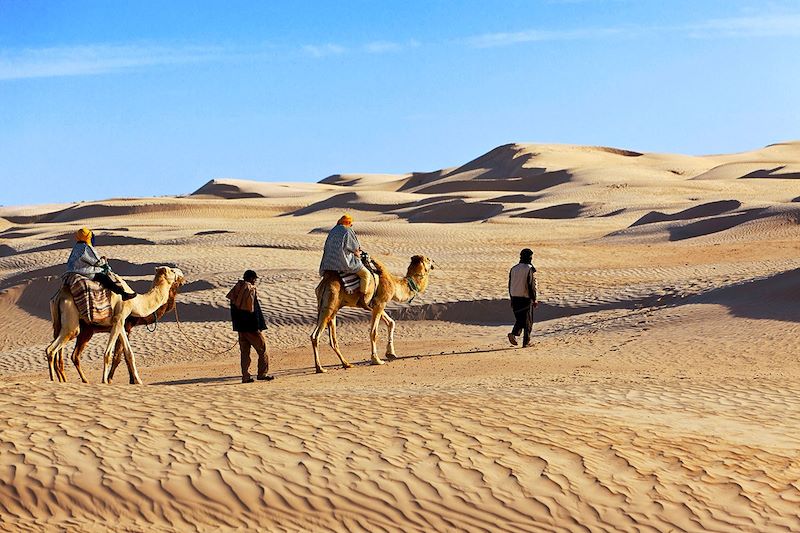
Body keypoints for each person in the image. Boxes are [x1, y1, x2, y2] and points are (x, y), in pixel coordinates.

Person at [319, 214, 375, 308]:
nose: (351, 225)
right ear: (348, 223)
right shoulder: (347, 231)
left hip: (328, 264)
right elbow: (355, 248)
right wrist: (358, 254)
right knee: (366, 275)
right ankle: (361, 299)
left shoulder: (333, 230)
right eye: (350, 223)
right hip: (344, 263)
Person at [227, 269, 273, 383]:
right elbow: (252, 310)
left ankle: (245, 376)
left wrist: (238, 326)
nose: (255, 281)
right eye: (254, 279)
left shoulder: (236, 290)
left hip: (241, 328)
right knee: (263, 350)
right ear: (252, 279)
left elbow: (234, 309)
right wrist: (258, 326)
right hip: (251, 327)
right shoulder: (249, 289)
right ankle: (262, 374)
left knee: (245, 353)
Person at [64, 227, 136, 300]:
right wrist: (103, 261)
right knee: (105, 278)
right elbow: (97, 262)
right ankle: (122, 294)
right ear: (88, 237)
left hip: (71, 272)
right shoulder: (86, 247)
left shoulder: (76, 247)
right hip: (83, 271)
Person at [508, 248, 538, 348]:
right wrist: (534, 299)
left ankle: (514, 334)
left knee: (520, 319)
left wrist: (511, 298)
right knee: (528, 321)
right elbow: (531, 285)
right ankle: (526, 342)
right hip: (525, 298)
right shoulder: (528, 269)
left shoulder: (514, 268)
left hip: (514, 297)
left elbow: (510, 284)